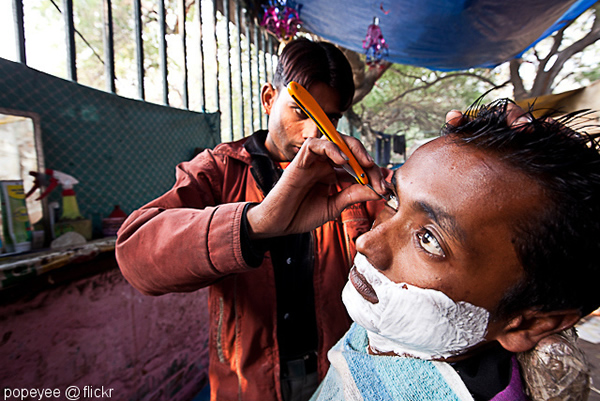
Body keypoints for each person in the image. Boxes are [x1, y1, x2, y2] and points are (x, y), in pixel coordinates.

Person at [242, 98, 600, 400]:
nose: (367, 242)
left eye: (429, 239)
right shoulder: (395, 333)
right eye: (395, 200)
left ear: (532, 322)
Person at [115, 37, 388, 401]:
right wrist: (254, 224)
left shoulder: (344, 179)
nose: (313, 134)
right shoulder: (218, 172)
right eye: (302, 112)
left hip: (338, 371)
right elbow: (135, 256)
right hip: (247, 384)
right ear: (268, 98)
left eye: (330, 118)